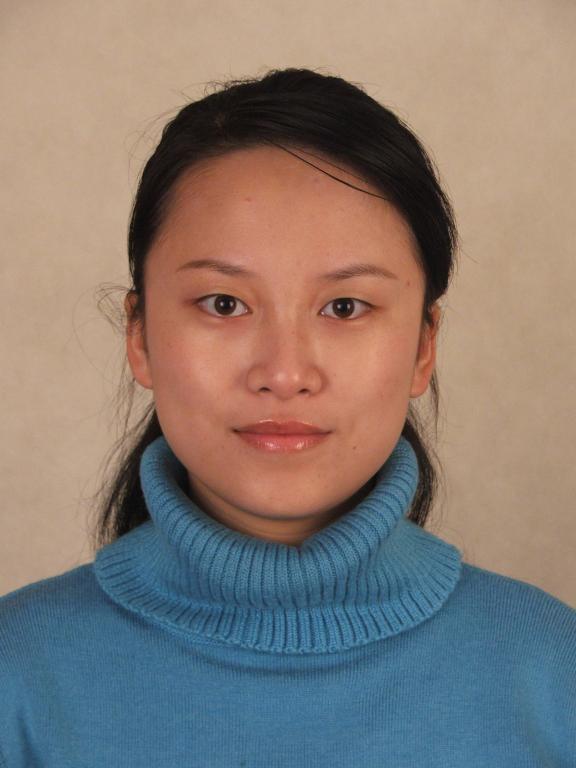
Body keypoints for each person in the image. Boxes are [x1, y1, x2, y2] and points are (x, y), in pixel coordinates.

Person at [1, 68, 574, 767]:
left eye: (344, 307)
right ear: (140, 335)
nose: (284, 371)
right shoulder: (17, 679)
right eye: (223, 304)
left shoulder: (552, 676)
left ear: (423, 347)